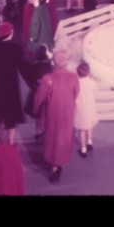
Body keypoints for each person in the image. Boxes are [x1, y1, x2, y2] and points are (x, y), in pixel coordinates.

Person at [0, 21, 32, 143]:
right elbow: (24, 68)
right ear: (10, 34)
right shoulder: (15, 48)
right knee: (10, 117)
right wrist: (34, 81)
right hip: (10, 88)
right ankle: (10, 142)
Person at [33, 49, 80, 182]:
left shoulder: (47, 78)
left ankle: (54, 164)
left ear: (53, 62)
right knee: (63, 136)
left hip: (51, 112)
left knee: (52, 136)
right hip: (67, 112)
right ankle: (59, 162)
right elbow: (76, 94)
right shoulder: (74, 77)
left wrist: (35, 110)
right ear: (67, 62)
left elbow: (39, 98)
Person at [74, 61, 98, 158]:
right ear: (88, 71)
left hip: (80, 108)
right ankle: (90, 142)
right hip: (90, 107)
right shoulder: (92, 82)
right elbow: (95, 91)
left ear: (77, 72)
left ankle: (83, 149)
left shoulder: (76, 83)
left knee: (82, 129)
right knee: (89, 125)